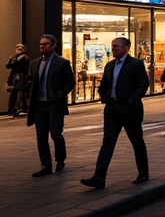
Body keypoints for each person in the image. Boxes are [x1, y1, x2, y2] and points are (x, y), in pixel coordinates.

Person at [80, 36, 150, 189]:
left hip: (129, 109)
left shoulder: (136, 64)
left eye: (117, 46)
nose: (114, 49)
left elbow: (143, 84)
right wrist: (105, 98)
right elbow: (104, 84)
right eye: (112, 46)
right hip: (112, 109)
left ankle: (143, 172)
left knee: (137, 141)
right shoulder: (109, 65)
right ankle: (99, 176)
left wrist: (131, 100)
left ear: (126, 48)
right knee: (108, 141)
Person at [26, 34, 74, 177]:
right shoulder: (34, 63)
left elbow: (70, 82)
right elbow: (32, 82)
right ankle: (46, 165)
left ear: (53, 46)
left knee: (56, 135)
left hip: (55, 105)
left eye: (45, 44)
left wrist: (61, 94)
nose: (42, 46)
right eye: (41, 44)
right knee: (41, 136)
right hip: (39, 105)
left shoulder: (62, 63)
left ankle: (60, 159)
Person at [6, 43, 30, 117]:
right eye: (17, 49)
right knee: (14, 93)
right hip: (16, 77)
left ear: (24, 50)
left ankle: (23, 108)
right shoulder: (14, 57)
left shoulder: (24, 57)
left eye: (20, 49)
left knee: (22, 92)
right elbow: (9, 66)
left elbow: (20, 66)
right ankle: (12, 109)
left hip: (22, 77)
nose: (18, 50)